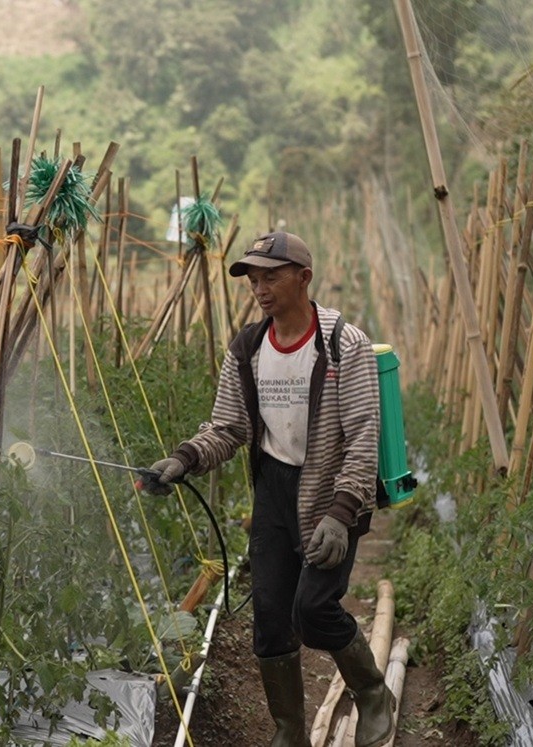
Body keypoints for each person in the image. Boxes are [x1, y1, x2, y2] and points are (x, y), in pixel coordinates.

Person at [141, 231, 394, 747]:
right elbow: (229, 427)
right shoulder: (249, 347)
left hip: (332, 491)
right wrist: (182, 460)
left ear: (304, 277)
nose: (260, 287)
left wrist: (341, 514)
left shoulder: (345, 345)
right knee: (270, 616)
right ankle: (289, 730)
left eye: (270, 275)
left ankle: (371, 693)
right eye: (253, 278)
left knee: (315, 611)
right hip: (275, 490)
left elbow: (364, 436)